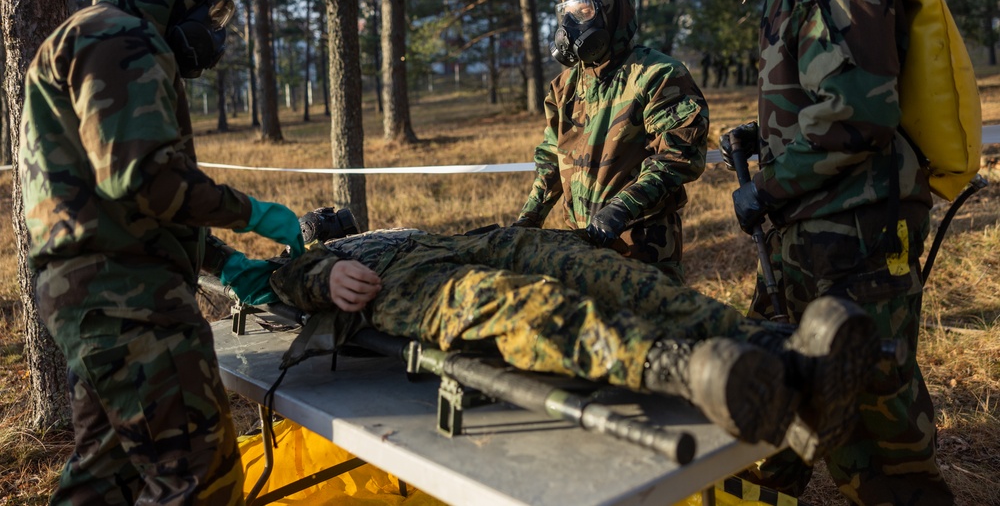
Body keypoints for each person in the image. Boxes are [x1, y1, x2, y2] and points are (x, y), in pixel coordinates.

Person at [691, 0, 951, 504]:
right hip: (808, 233)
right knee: (776, 383)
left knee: (872, 406)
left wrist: (767, 187)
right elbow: (819, 98)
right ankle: (762, 492)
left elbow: (859, 116)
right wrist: (763, 135)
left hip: (856, 235)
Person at [19, 0, 305, 505]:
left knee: (106, 480)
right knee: (202, 479)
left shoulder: (92, 34)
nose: (215, 29)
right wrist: (250, 212)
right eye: (211, 9)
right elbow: (143, 179)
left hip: (99, 299)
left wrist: (221, 262)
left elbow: (111, 203)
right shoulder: (122, 35)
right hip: (133, 305)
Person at [263, 221, 881, 466]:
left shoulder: (387, 225)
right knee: (515, 303)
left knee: (605, 271)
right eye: (322, 222)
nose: (331, 217)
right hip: (398, 284)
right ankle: (690, 369)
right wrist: (321, 274)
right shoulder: (312, 255)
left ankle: (780, 350)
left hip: (458, 241)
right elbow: (283, 284)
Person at [513, 0, 709, 277]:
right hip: (582, 244)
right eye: (566, 14)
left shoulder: (658, 75)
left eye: (583, 11)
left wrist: (619, 210)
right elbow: (551, 156)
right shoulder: (565, 86)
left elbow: (678, 156)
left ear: (614, 13)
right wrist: (528, 220)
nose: (569, 25)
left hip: (642, 245)